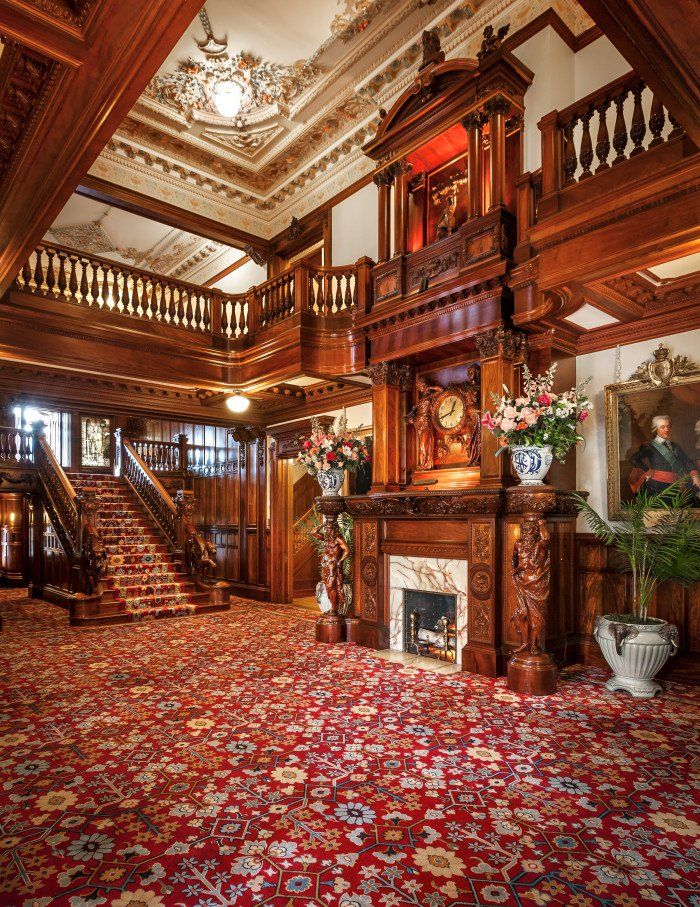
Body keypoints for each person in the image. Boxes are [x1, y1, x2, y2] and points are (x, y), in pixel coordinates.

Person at [628, 414, 700, 501]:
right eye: (663, 427)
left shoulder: (675, 446)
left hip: (675, 487)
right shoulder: (649, 446)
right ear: (656, 429)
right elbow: (634, 459)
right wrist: (647, 470)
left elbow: (686, 461)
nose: (667, 429)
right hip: (656, 488)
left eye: (668, 426)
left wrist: (695, 475)